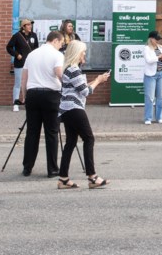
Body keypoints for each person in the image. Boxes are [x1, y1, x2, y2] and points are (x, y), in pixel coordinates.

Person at [57, 41, 110, 189]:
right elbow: (85, 92)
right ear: (76, 53)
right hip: (74, 108)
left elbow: (81, 88)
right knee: (89, 138)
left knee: (71, 142)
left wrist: (97, 79)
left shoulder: (70, 69)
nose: (84, 54)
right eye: (83, 52)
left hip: (67, 109)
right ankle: (92, 177)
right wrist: (99, 80)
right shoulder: (73, 70)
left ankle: (63, 178)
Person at [19, 30, 65, 178]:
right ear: (56, 41)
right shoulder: (57, 55)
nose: (61, 46)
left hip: (33, 94)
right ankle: (52, 169)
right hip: (51, 95)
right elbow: (59, 73)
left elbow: (24, 78)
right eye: (61, 43)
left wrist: (25, 96)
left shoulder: (32, 54)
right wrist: (67, 88)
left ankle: (27, 167)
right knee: (51, 133)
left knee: (32, 133)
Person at [6, 18, 39, 112]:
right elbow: (9, 47)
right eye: (28, 25)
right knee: (18, 84)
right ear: (23, 27)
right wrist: (16, 54)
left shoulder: (34, 35)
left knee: (30, 84)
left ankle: (28, 103)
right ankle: (15, 104)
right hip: (20, 64)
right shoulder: (17, 36)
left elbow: (36, 48)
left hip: (31, 64)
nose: (30, 26)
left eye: (31, 25)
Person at [143, 31, 162, 125]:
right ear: (151, 39)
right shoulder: (146, 48)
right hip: (150, 75)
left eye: (158, 39)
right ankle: (148, 118)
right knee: (150, 97)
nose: (158, 41)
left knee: (161, 97)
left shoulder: (160, 47)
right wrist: (159, 57)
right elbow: (149, 60)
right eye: (156, 39)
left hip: (161, 74)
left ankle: (159, 118)